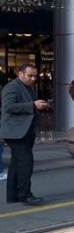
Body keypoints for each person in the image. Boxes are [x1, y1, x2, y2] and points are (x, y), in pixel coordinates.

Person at [0, 64, 48, 205]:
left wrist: (40, 106)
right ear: (20, 74)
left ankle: (13, 195)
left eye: (35, 76)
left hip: (24, 131)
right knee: (26, 163)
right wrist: (33, 105)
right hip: (16, 132)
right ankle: (25, 195)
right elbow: (8, 107)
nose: (33, 78)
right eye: (30, 75)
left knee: (16, 163)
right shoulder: (12, 87)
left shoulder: (27, 87)